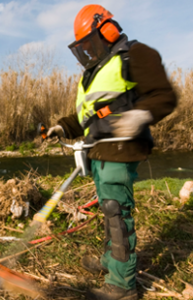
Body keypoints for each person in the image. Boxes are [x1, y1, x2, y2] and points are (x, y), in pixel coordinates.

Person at [47, 4, 178, 300]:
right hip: (99, 151)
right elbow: (87, 118)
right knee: (109, 209)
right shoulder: (94, 72)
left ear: (105, 31)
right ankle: (111, 262)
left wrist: (140, 115)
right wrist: (62, 127)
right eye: (83, 47)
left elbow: (164, 96)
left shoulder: (134, 54)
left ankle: (121, 285)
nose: (87, 52)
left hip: (120, 148)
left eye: (89, 43)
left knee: (116, 212)